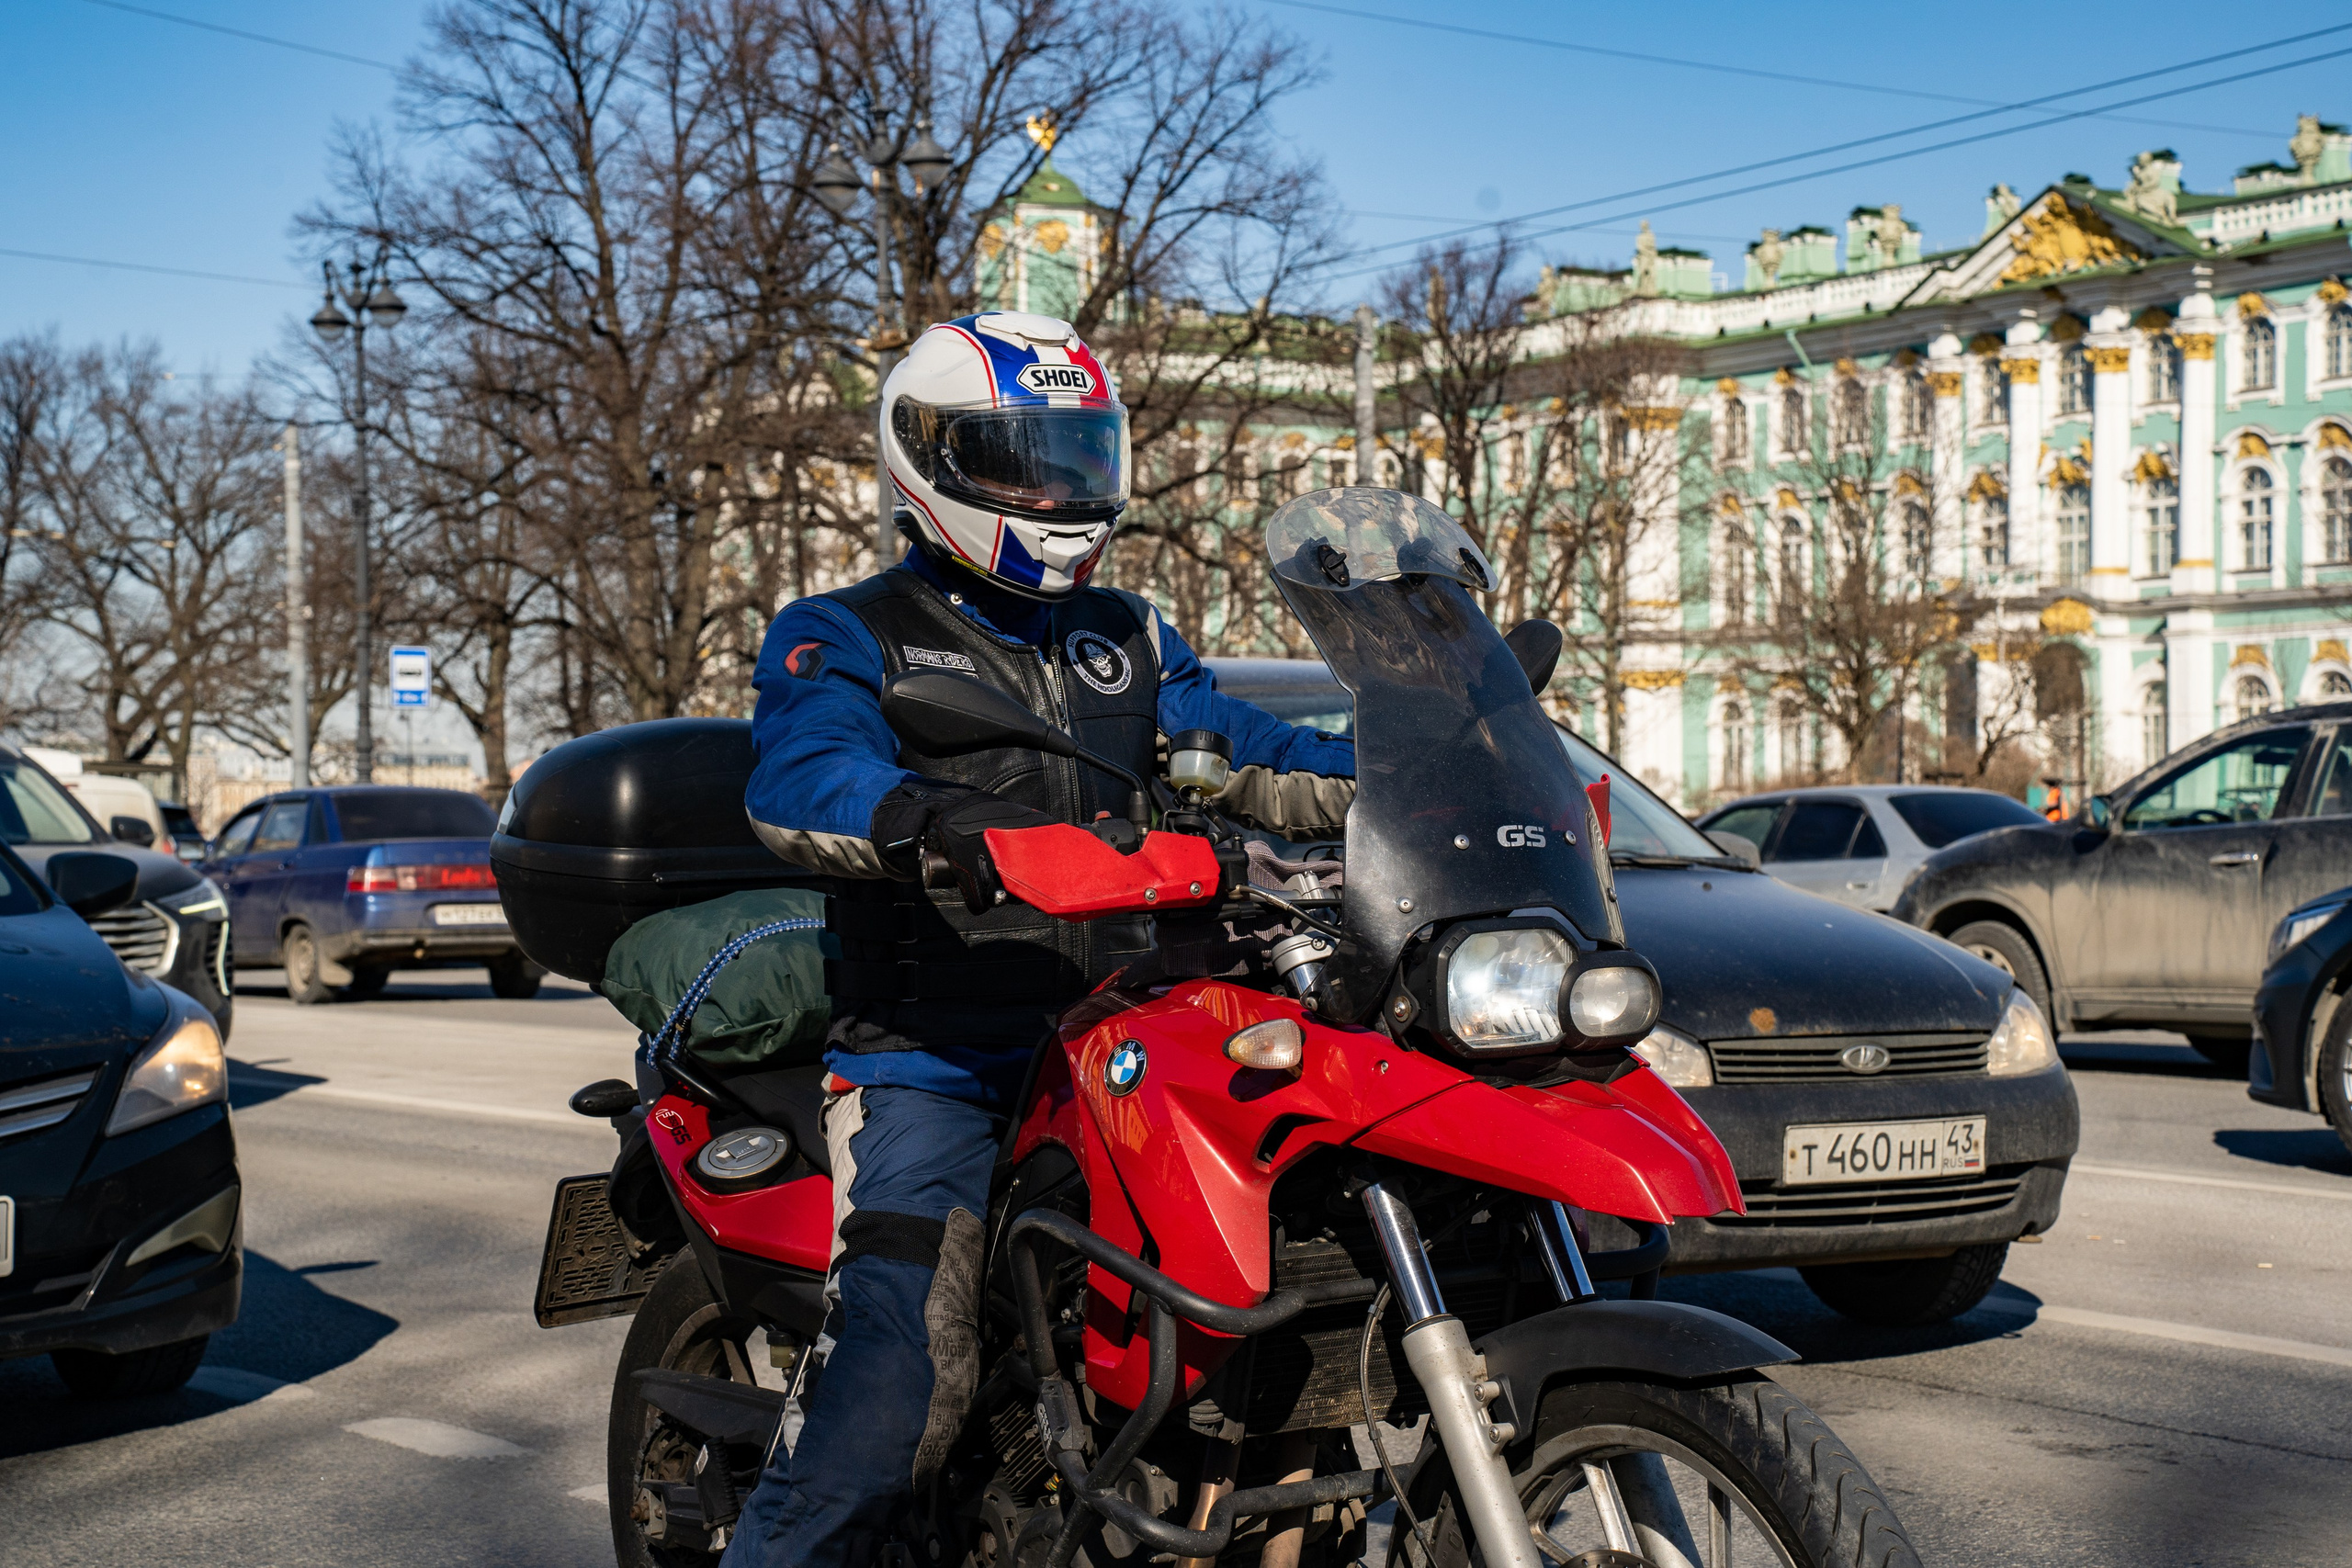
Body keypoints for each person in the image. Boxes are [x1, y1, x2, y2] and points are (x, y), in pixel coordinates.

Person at [725, 310, 1357, 1568]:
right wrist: (926, 820)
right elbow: (802, 777)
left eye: (1074, 456)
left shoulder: (1123, 636)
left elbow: (1239, 749)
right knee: (899, 1383)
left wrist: (1415, 770)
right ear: (929, 461)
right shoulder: (846, 631)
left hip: (1127, 1035)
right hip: (938, 1058)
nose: (1054, 491)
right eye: (1020, 458)